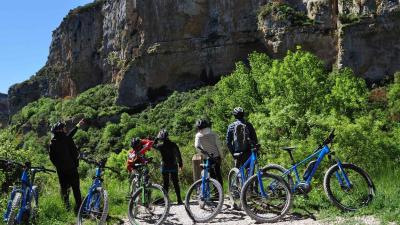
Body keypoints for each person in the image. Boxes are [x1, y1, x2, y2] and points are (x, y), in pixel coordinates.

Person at [49, 119, 84, 213]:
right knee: (76, 189)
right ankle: (79, 209)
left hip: (61, 171)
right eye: (64, 128)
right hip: (72, 168)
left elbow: (52, 158)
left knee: (65, 190)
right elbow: (74, 151)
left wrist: (59, 166)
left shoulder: (53, 142)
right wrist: (75, 163)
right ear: (60, 130)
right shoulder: (67, 139)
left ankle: (67, 209)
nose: (65, 129)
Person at [153, 129, 183, 205]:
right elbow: (178, 154)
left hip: (165, 166)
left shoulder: (160, 146)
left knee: (165, 184)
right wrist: (180, 164)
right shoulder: (173, 144)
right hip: (173, 165)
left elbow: (153, 145)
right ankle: (179, 200)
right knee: (176, 183)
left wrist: (156, 138)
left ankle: (166, 200)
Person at [195, 119, 224, 187]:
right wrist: (222, 156)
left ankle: (215, 193)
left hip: (206, 157)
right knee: (218, 174)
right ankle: (220, 192)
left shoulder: (198, 135)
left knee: (211, 175)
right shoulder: (214, 134)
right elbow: (219, 146)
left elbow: (197, 146)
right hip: (216, 157)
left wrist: (201, 154)